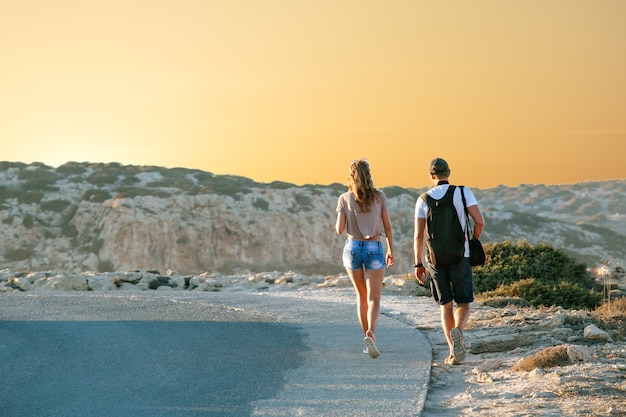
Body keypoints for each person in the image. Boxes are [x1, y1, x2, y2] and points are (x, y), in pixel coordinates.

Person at [414, 157, 485, 365]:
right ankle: (459, 331)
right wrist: (474, 240)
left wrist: (418, 264)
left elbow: (419, 235)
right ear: (449, 172)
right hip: (460, 256)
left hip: (435, 260)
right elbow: (479, 221)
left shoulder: (423, 199)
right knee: (463, 301)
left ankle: (453, 353)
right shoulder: (463, 192)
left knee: (445, 304)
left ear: (430, 176)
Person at [335, 159, 395, 358]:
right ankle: (372, 333)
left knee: (360, 296)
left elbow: (339, 230)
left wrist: (344, 212)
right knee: (373, 298)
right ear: (368, 174)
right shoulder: (379, 197)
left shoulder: (344, 198)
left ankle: (366, 338)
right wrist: (390, 250)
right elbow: (387, 226)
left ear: (351, 177)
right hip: (374, 247)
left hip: (352, 247)